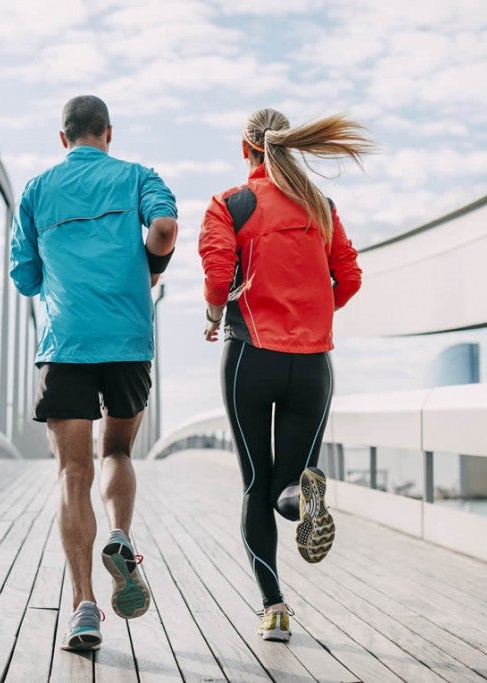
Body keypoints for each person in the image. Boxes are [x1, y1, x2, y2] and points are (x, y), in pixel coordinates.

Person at [10, 95, 178, 651]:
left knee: (71, 475)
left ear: (63, 139)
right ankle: (122, 537)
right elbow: (165, 228)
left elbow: (26, 277)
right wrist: (148, 268)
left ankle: (84, 607)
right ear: (109, 132)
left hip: (68, 345)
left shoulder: (36, 191)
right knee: (118, 453)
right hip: (128, 342)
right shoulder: (137, 177)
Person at [198, 108, 370, 643]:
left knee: (255, 482)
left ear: (244, 148)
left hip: (250, 356)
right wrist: (313, 312)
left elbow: (216, 273)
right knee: (288, 481)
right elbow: (350, 276)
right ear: (289, 146)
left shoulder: (230, 204)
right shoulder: (321, 205)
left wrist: (212, 315)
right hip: (313, 363)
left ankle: (273, 608)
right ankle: (300, 497)